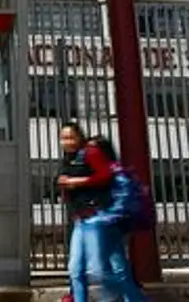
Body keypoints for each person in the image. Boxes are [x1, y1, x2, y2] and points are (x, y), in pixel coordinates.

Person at [58, 123, 145, 302]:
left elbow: (104, 176)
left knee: (102, 270)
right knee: (76, 269)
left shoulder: (90, 153)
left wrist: (78, 182)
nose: (66, 142)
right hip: (81, 219)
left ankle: (126, 298)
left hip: (98, 217)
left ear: (80, 137)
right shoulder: (69, 159)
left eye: (70, 137)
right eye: (63, 138)